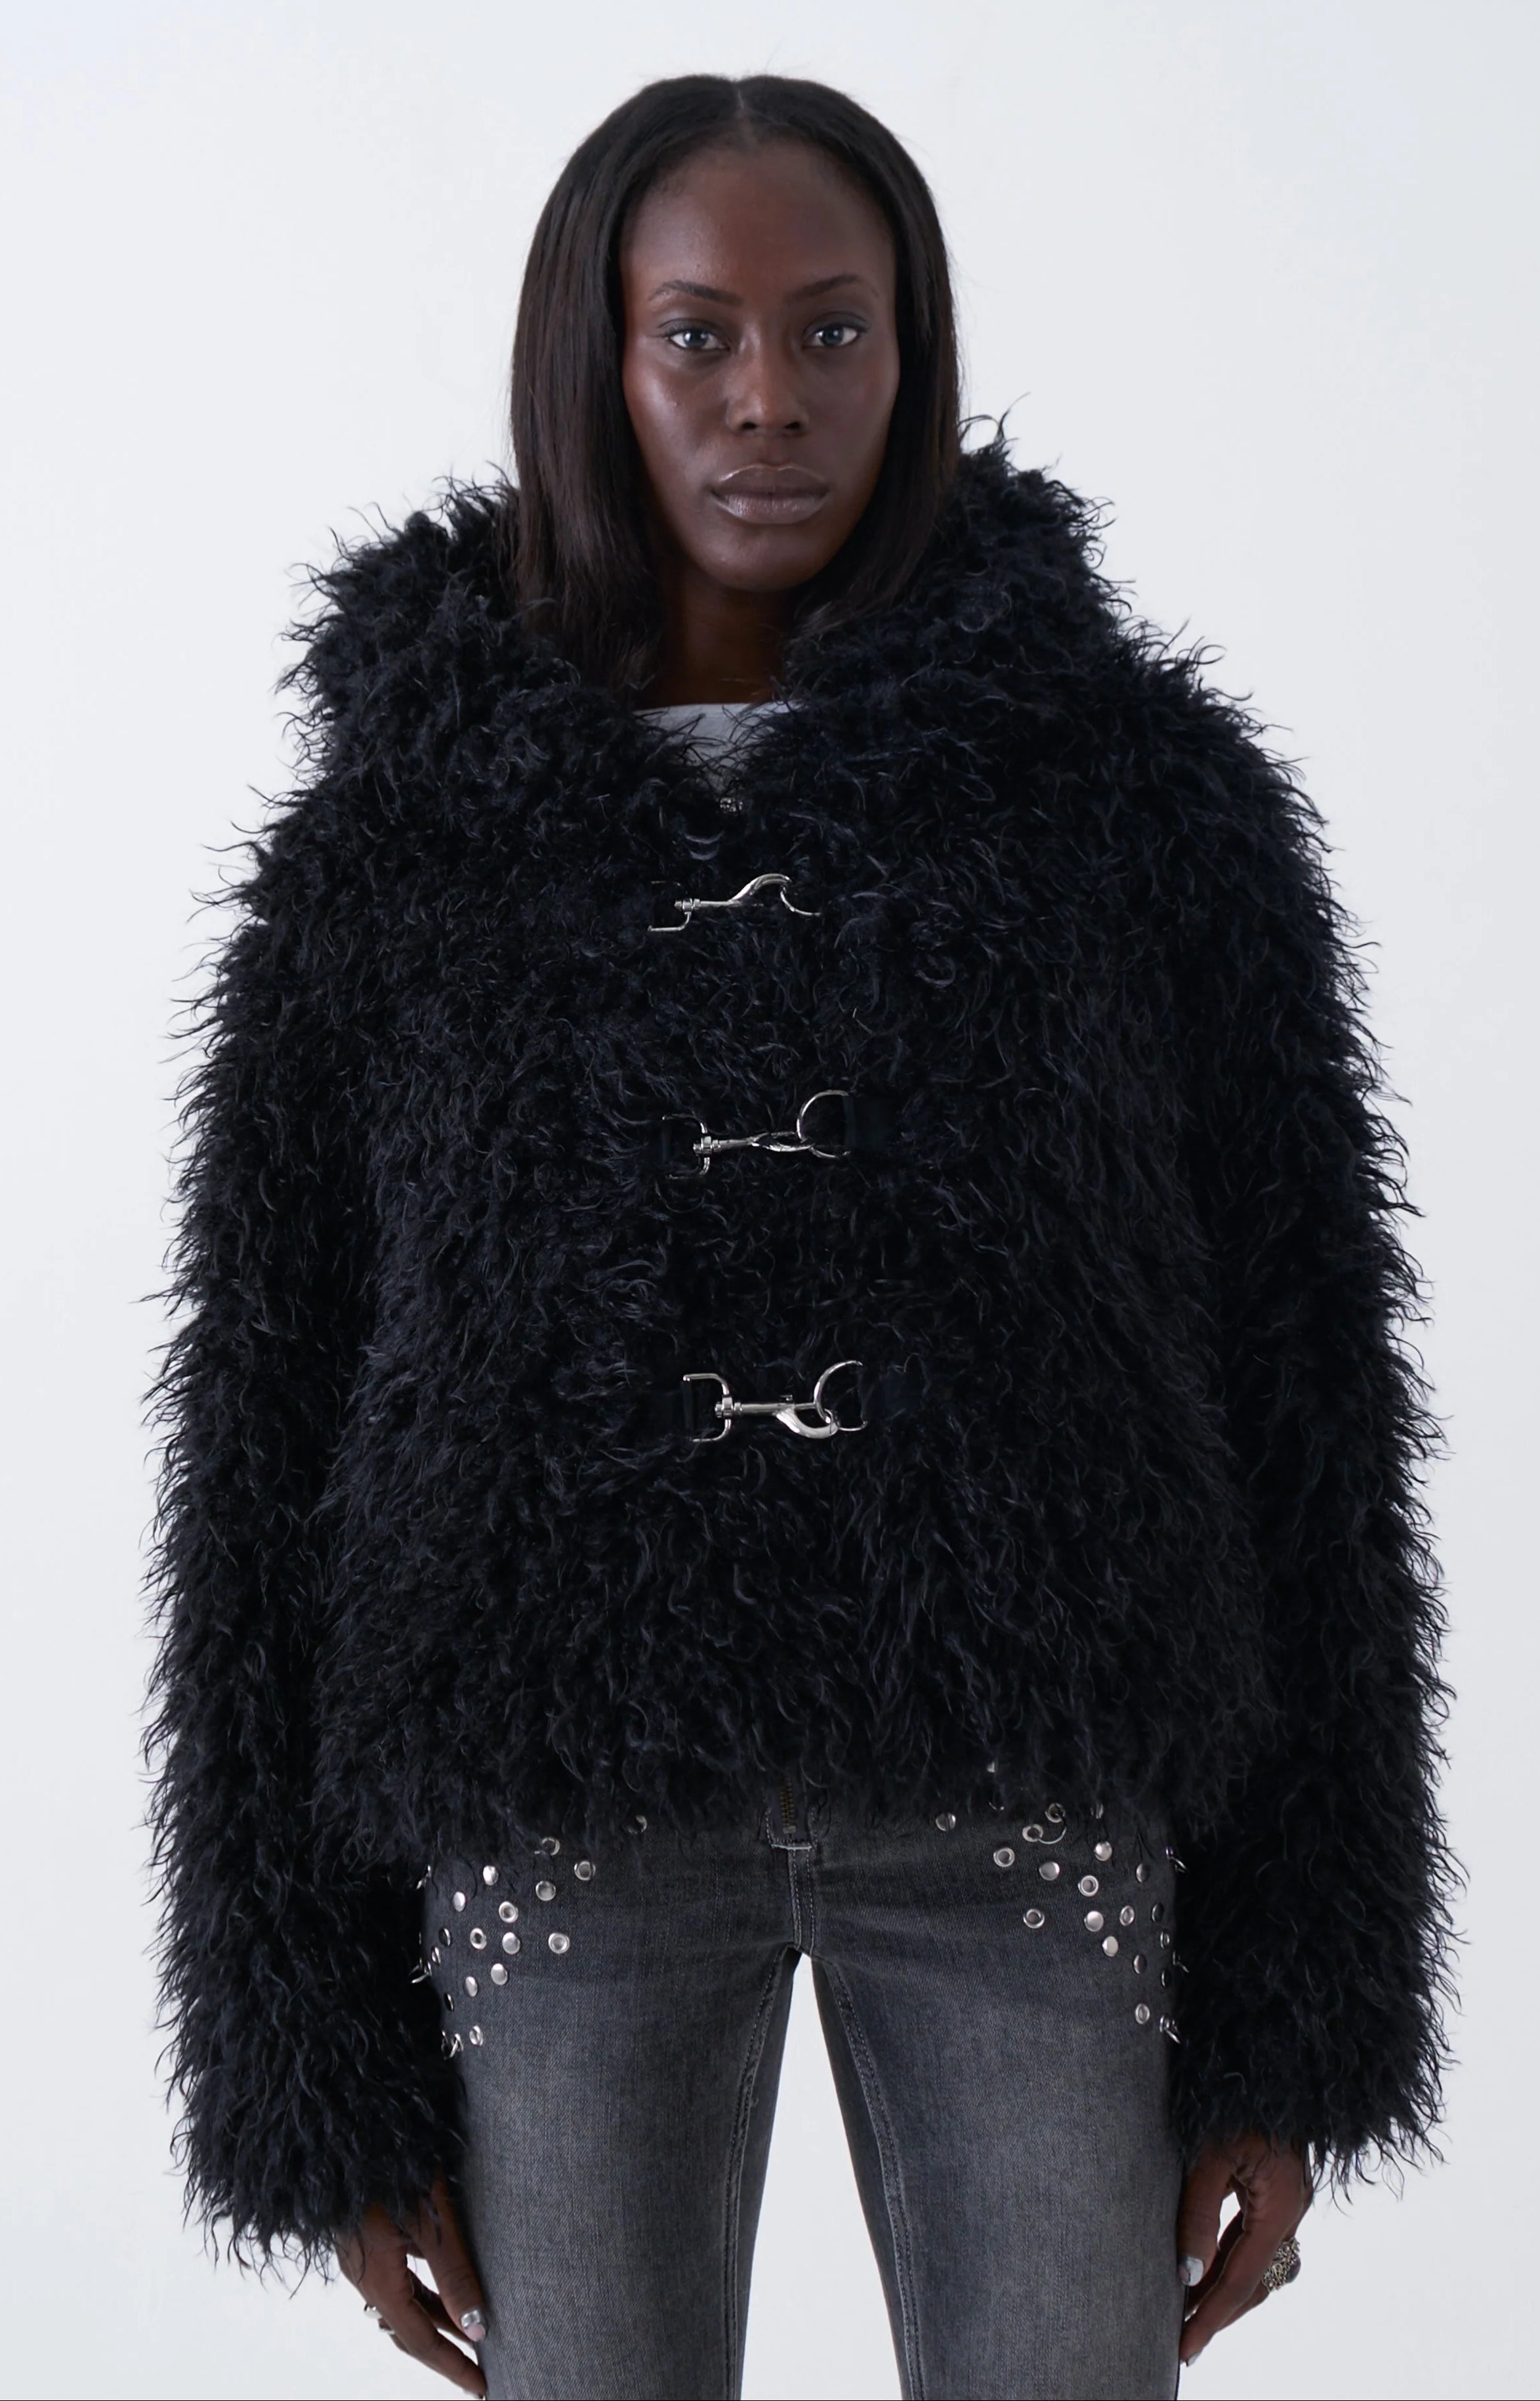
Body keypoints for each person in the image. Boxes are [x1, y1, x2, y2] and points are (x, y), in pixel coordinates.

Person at [148, 72, 1449, 2401]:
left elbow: (1309, 1388)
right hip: (559, 1810)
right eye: (699, 335)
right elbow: (257, 1439)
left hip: (1028, 1802)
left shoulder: (1137, 807)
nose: (768, 399)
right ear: (595, 359)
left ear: (913, 352)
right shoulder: (392, 854)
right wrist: (308, 2060)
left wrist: (1297, 2015)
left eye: (831, 331)